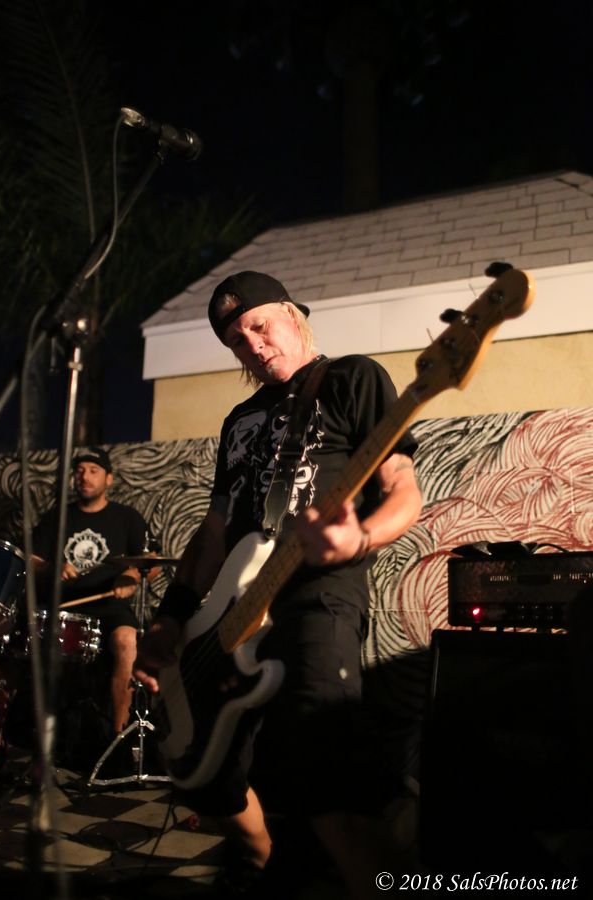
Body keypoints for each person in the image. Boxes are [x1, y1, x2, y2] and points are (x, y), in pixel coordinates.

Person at [135, 271, 422, 898]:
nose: (252, 345)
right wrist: (171, 616)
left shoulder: (352, 378)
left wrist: (360, 537)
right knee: (202, 773)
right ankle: (265, 864)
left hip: (316, 594)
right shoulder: (238, 419)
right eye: (236, 340)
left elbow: (404, 490)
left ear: (293, 314)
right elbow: (215, 531)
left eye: (259, 326)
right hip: (230, 610)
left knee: (326, 778)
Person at [32, 446, 149, 739]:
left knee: (127, 641)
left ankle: (118, 739)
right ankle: (40, 738)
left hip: (110, 605)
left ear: (109, 478)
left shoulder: (127, 518)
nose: (85, 477)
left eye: (94, 471)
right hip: (63, 606)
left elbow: (152, 562)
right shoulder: (56, 517)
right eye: (80, 471)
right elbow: (30, 560)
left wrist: (130, 575)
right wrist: (51, 567)